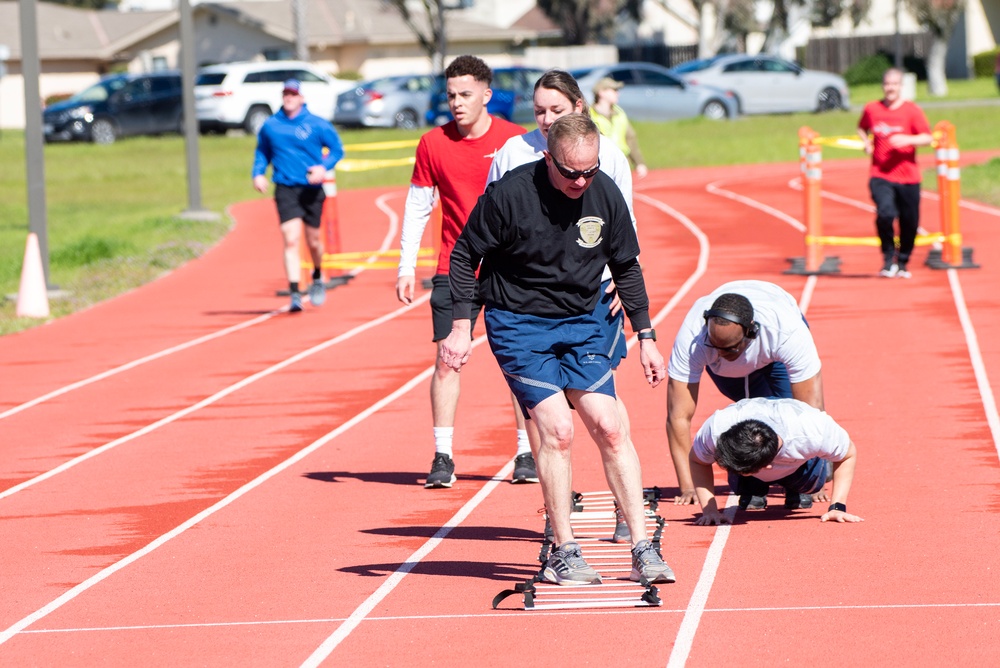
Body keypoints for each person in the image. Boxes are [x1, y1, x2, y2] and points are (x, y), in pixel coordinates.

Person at [442, 114, 675, 586]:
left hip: (584, 320)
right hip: (519, 322)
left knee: (610, 426)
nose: (580, 181)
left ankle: (642, 545)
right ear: (548, 157)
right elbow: (465, 255)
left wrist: (646, 335)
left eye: (588, 171)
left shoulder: (603, 192)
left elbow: (626, 265)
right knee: (559, 430)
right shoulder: (510, 193)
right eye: (570, 172)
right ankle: (563, 552)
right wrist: (462, 326)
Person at [488, 69, 638, 543]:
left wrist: (617, 283)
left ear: (578, 108)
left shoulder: (606, 156)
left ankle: (623, 506)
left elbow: (622, 226)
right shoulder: (514, 153)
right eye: (539, 111)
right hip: (528, 306)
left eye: (556, 110)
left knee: (605, 410)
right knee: (547, 415)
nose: (546, 119)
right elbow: (492, 221)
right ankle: (558, 513)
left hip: (592, 298)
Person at [395, 55, 529, 488]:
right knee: (447, 359)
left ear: (486, 96)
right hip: (455, 267)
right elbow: (418, 207)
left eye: (465, 95)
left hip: (511, 268)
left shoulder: (516, 140)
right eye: (451, 95)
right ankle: (443, 454)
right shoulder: (432, 144)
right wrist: (405, 265)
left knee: (520, 361)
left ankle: (526, 450)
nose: (456, 103)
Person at [666, 280, 824, 510]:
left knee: (789, 411)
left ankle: (798, 480)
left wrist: (814, 468)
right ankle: (752, 482)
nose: (720, 353)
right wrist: (688, 484)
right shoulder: (693, 339)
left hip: (774, 356)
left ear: (752, 332)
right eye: (714, 346)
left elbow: (810, 409)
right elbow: (678, 417)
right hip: (730, 373)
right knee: (748, 419)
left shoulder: (786, 331)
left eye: (728, 348)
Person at [689, 397, 863, 526]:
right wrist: (709, 510)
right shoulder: (717, 429)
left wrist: (837, 506)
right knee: (745, 488)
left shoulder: (812, 430)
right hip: (761, 455)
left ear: (768, 466)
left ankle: (798, 485)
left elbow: (848, 454)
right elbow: (698, 461)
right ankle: (753, 488)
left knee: (809, 485)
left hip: (800, 458)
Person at [252, 79, 344, 313]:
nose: (289, 97)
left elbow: (337, 149)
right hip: (285, 188)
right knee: (290, 238)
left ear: (302, 97)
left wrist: (323, 167)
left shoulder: (317, 124)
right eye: (286, 93)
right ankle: (295, 292)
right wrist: (258, 173)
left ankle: (316, 275)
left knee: (313, 241)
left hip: (311, 189)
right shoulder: (271, 125)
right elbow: (262, 151)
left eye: (293, 94)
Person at [857, 67, 933, 279]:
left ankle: (903, 261)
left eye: (894, 84)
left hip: (909, 177)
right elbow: (862, 128)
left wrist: (908, 139)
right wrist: (866, 143)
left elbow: (927, 137)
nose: (890, 88)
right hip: (880, 174)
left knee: (910, 222)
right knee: (886, 214)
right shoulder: (872, 109)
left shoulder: (912, 111)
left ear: (901, 86)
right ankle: (888, 258)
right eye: (887, 84)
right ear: (883, 85)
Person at [588, 77, 648, 179]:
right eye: (614, 90)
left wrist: (639, 163)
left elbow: (630, 138)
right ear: (601, 92)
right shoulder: (589, 115)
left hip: (622, 163)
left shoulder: (619, 113)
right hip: (600, 166)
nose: (617, 93)